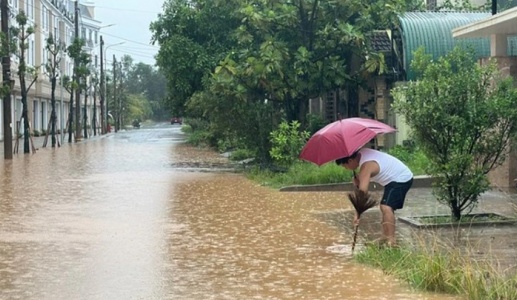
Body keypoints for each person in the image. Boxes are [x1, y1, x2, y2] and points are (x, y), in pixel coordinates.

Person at [336, 148, 413, 246]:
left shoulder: (366, 166)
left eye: (345, 165)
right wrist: (358, 182)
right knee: (385, 206)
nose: (345, 168)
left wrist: (357, 213)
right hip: (394, 178)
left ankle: (391, 241)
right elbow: (363, 184)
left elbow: (362, 193)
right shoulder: (362, 154)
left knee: (386, 207)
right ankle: (384, 238)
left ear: (350, 160)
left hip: (401, 178)